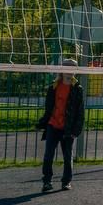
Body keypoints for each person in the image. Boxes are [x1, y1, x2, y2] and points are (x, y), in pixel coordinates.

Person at [36, 58, 85, 192]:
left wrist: (76, 129)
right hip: (53, 125)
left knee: (67, 155)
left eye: (72, 70)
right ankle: (47, 181)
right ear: (62, 71)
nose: (69, 72)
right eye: (67, 69)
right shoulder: (53, 87)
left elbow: (80, 112)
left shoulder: (77, 89)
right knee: (48, 155)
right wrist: (43, 122)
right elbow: (49, 107)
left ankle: (66, 182)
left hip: (68, 128)